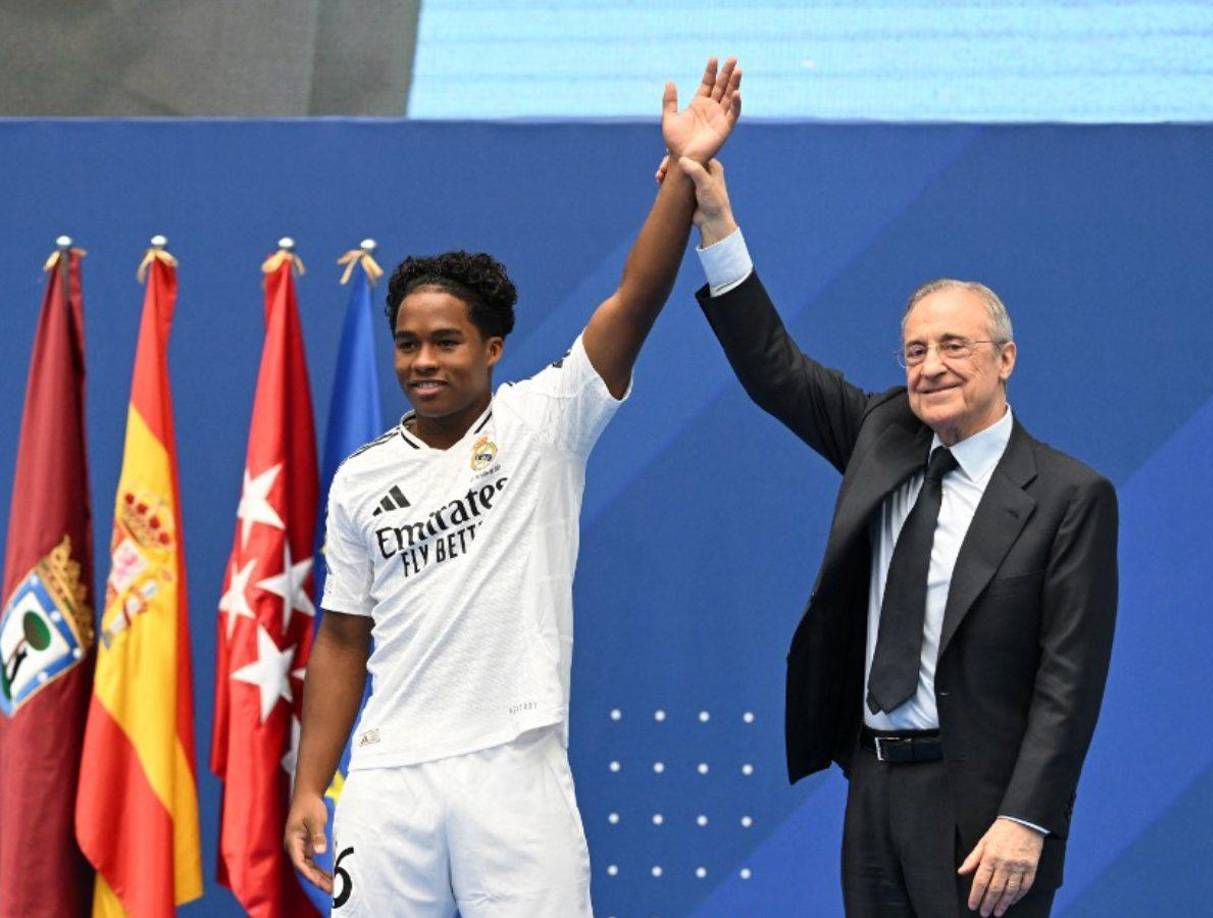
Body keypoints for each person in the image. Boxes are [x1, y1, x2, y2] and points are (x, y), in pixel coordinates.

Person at [283, 58, 742, 916]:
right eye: (408, 344)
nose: (423, 361)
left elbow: (633, 301)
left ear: (492, 348)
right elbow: (342, 638)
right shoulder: (360, 480)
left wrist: (686, 172)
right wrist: (312, 782)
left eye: (446, 341)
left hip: (514, 765)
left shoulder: (546, 420)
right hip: (387, 779)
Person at [672, 155, 1118, 917]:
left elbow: (1068, 681)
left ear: (1005, 359)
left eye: (954, 346)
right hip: (875, 787)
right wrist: (715, 220)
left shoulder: (1068, 495)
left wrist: (1027, 818)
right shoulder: (882, 434)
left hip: (985, 809)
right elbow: (775, 368)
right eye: (915, 351)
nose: (931, 367)